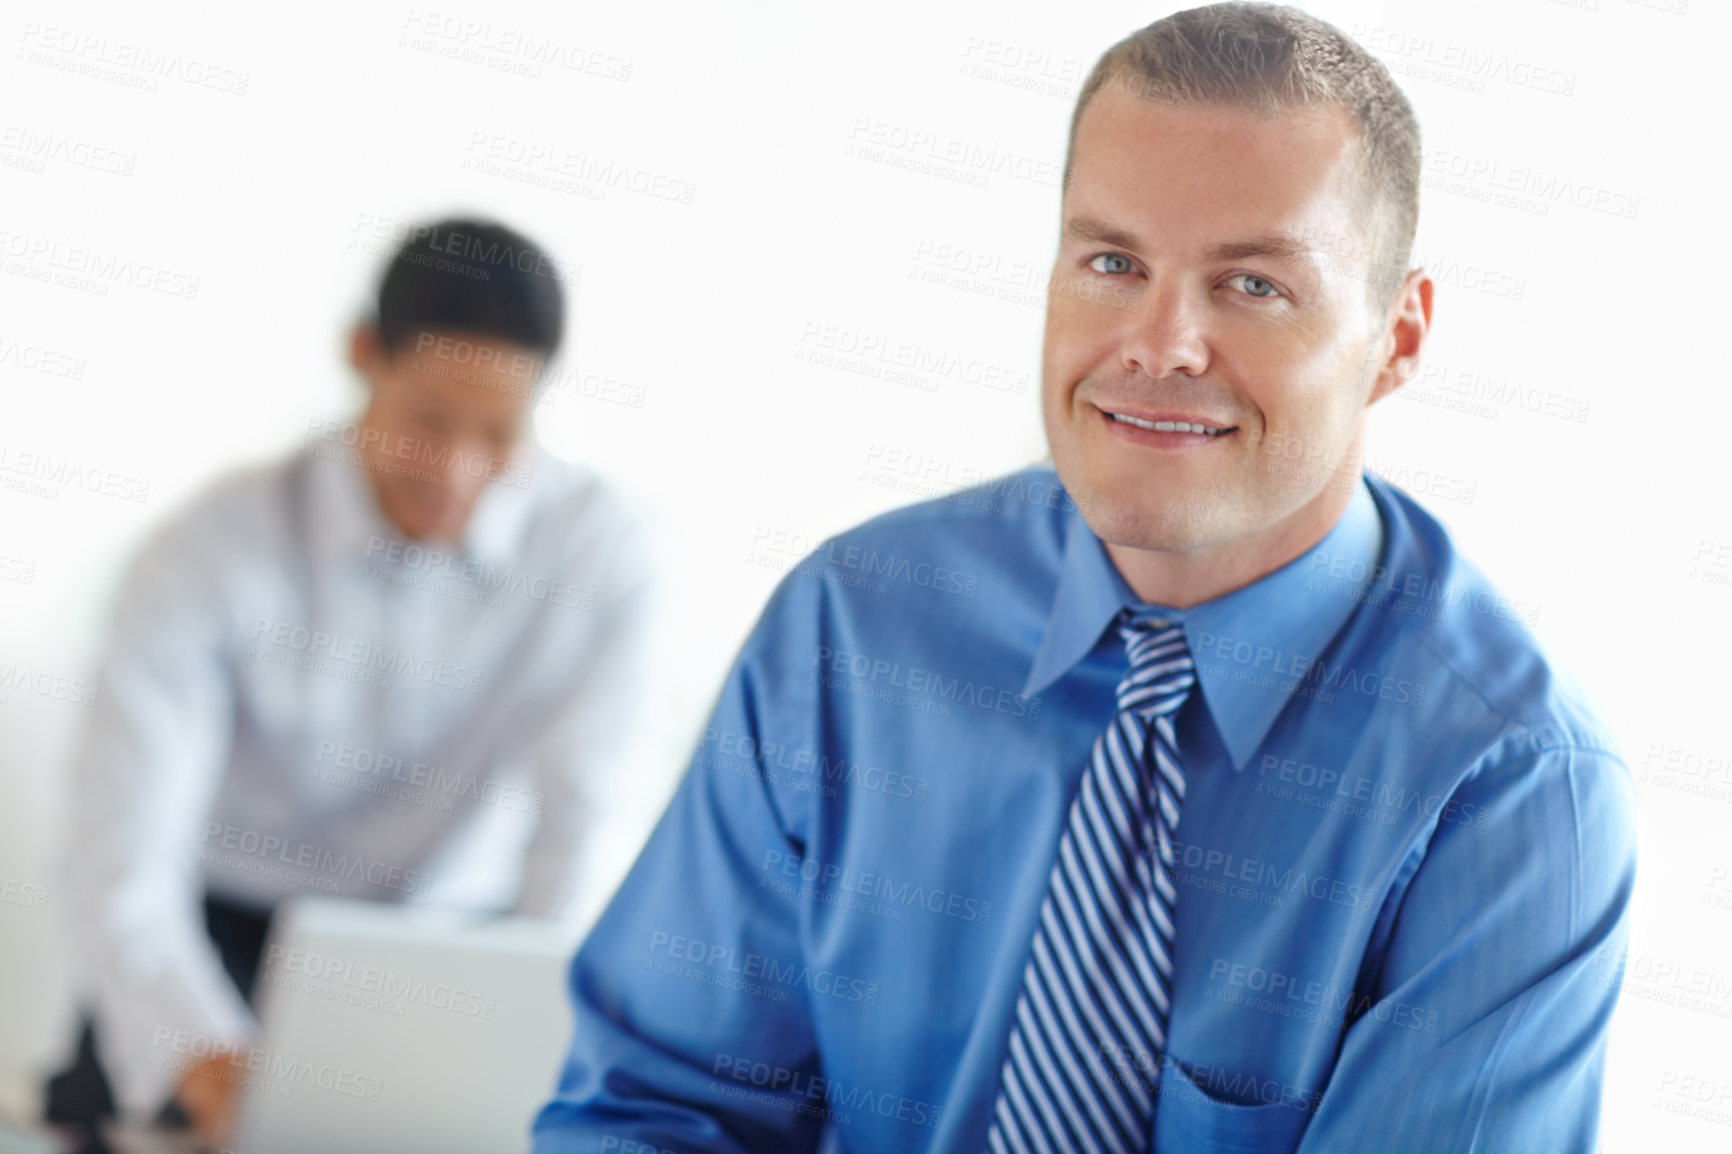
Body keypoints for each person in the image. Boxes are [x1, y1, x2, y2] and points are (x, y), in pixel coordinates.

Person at [530, 5, 1637, 1154]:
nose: (1158, 343)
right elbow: (660, 1107)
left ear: (1397, 336)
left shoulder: (1510, 791)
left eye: (1251, 284)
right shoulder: (854, 625)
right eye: (1112, 262)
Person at [48, 217, 655, 1150]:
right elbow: (122, 851)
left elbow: (580, 824)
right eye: (427, 423)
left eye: (498, 433)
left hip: (439, 959)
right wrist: (205, 1058)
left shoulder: (595, 548)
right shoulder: (210, 547)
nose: (457, 473)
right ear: (363, 356)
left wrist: (533, 1043)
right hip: (213, 945)